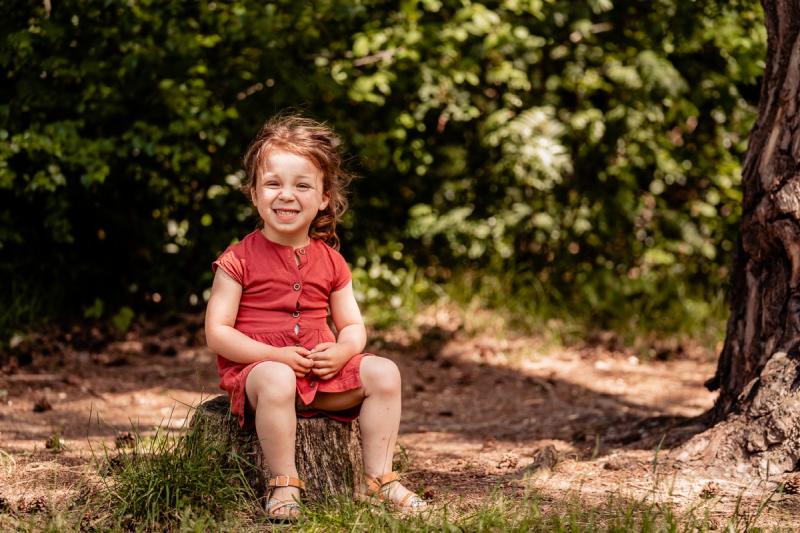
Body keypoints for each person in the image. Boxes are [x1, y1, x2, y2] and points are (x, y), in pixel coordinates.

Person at [204, 114, 427, 520]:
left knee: (385, 373)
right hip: (260, 376)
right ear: (254, 194)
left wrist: (343, 352)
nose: (286, 195)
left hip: (320, 373)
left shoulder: (332, 261)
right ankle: (284, 483)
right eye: (273, 184)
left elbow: (353, 326)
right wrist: (274, 357)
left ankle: (377, 479)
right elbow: (217, 333)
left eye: (302, 185)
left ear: (323, 197)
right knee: (277, 377)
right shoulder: (237, 259)